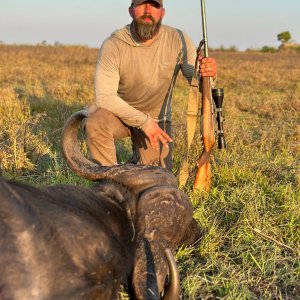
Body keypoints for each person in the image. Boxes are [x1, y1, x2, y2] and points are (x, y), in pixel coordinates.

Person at [85, 0, 217, 171]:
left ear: (162, 12)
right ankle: (107, 180)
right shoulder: (113, 43)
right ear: (131, 11)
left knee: (157, 179)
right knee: (95, 121)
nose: (147, 10)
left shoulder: (180, 39)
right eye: (141, 5)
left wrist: (209, 74)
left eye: (154, 5)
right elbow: (105, 98)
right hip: (120, 114)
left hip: (157, 119)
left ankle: (133, 165)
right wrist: (143, 122)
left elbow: (197, 81)